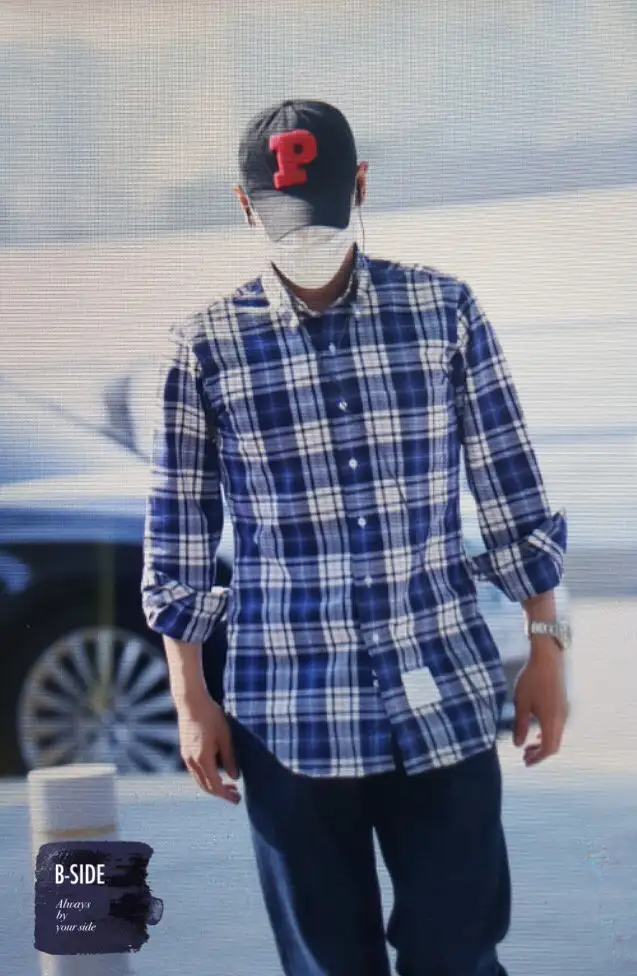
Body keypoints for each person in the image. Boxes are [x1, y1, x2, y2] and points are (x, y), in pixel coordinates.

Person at [141, 99, 571, 976]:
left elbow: (512, 492)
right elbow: (178, 537)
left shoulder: (443, 311)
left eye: (323, 213)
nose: (306, 239)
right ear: (245, 206)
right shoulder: (205, 347)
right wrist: (191, 700)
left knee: (457, 955)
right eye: (283, 219)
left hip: (442, 695)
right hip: (286, 716)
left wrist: (546, 649)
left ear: (361, 185)